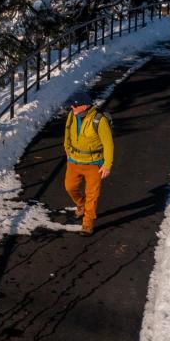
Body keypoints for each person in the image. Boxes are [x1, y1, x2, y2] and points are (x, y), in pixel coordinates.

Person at [62, 90, 114, 235]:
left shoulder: (99, 121)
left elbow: (108, 144)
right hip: (73, 161)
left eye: (74, 105)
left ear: (84, 106)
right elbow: (67, 132)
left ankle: (88, 223)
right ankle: (81, 205)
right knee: (69, 187)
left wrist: (107, 165)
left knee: (92, 194)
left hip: (94, 164)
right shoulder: (72, 115)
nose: (71, 108)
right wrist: (66, 147)